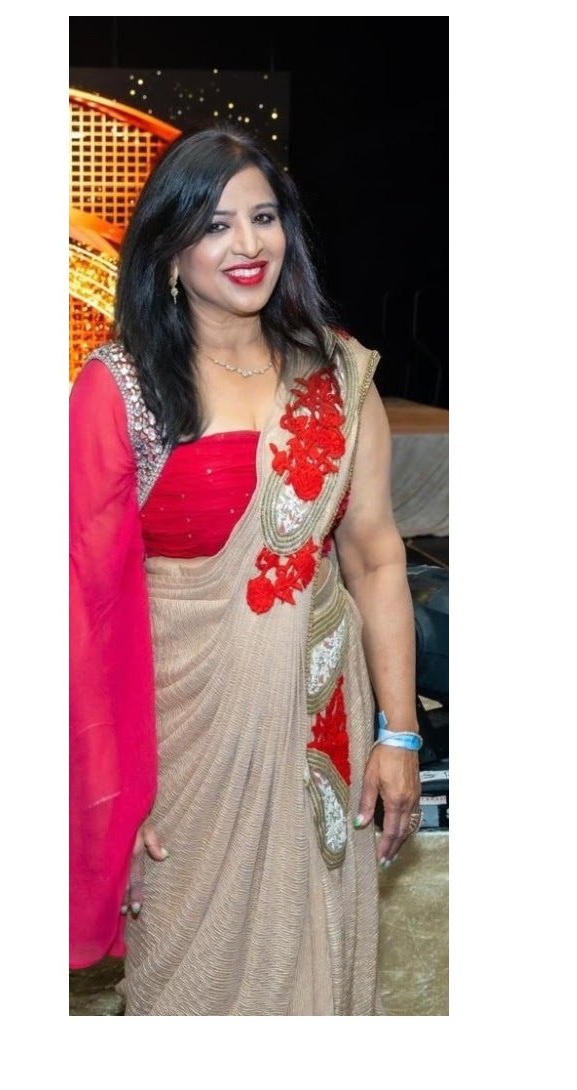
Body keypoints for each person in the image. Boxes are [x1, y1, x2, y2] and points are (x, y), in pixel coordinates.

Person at [69, 124, 422, 1016]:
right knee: (185, 976)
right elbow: (78, 612)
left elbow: (378, 558)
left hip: (316, 728)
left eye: (263, 217)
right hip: (174, 746)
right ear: (168, 248)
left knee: (315, 958)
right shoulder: (122, 385)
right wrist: (110, 796)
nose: (248, 244)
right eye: (216, 223)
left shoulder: (336, 375)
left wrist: (400, 733)